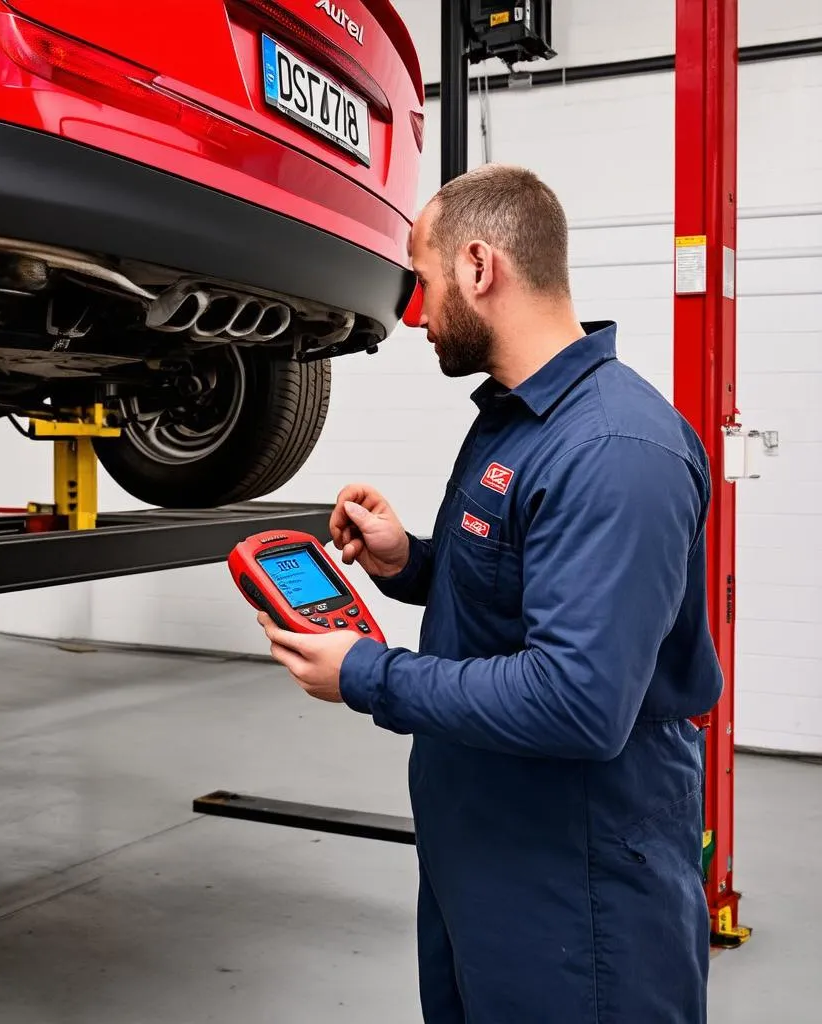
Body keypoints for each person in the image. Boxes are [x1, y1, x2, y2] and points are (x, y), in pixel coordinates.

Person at [255, 164, 724, 1024]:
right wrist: (408, 562)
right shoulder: (515, 417)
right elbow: (518, 588)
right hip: (484, 852)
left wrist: (367, 672)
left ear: (478, 267)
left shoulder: (618, 450)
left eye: (421, 283)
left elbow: (579, 701)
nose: (414, 316)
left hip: (577, 884)